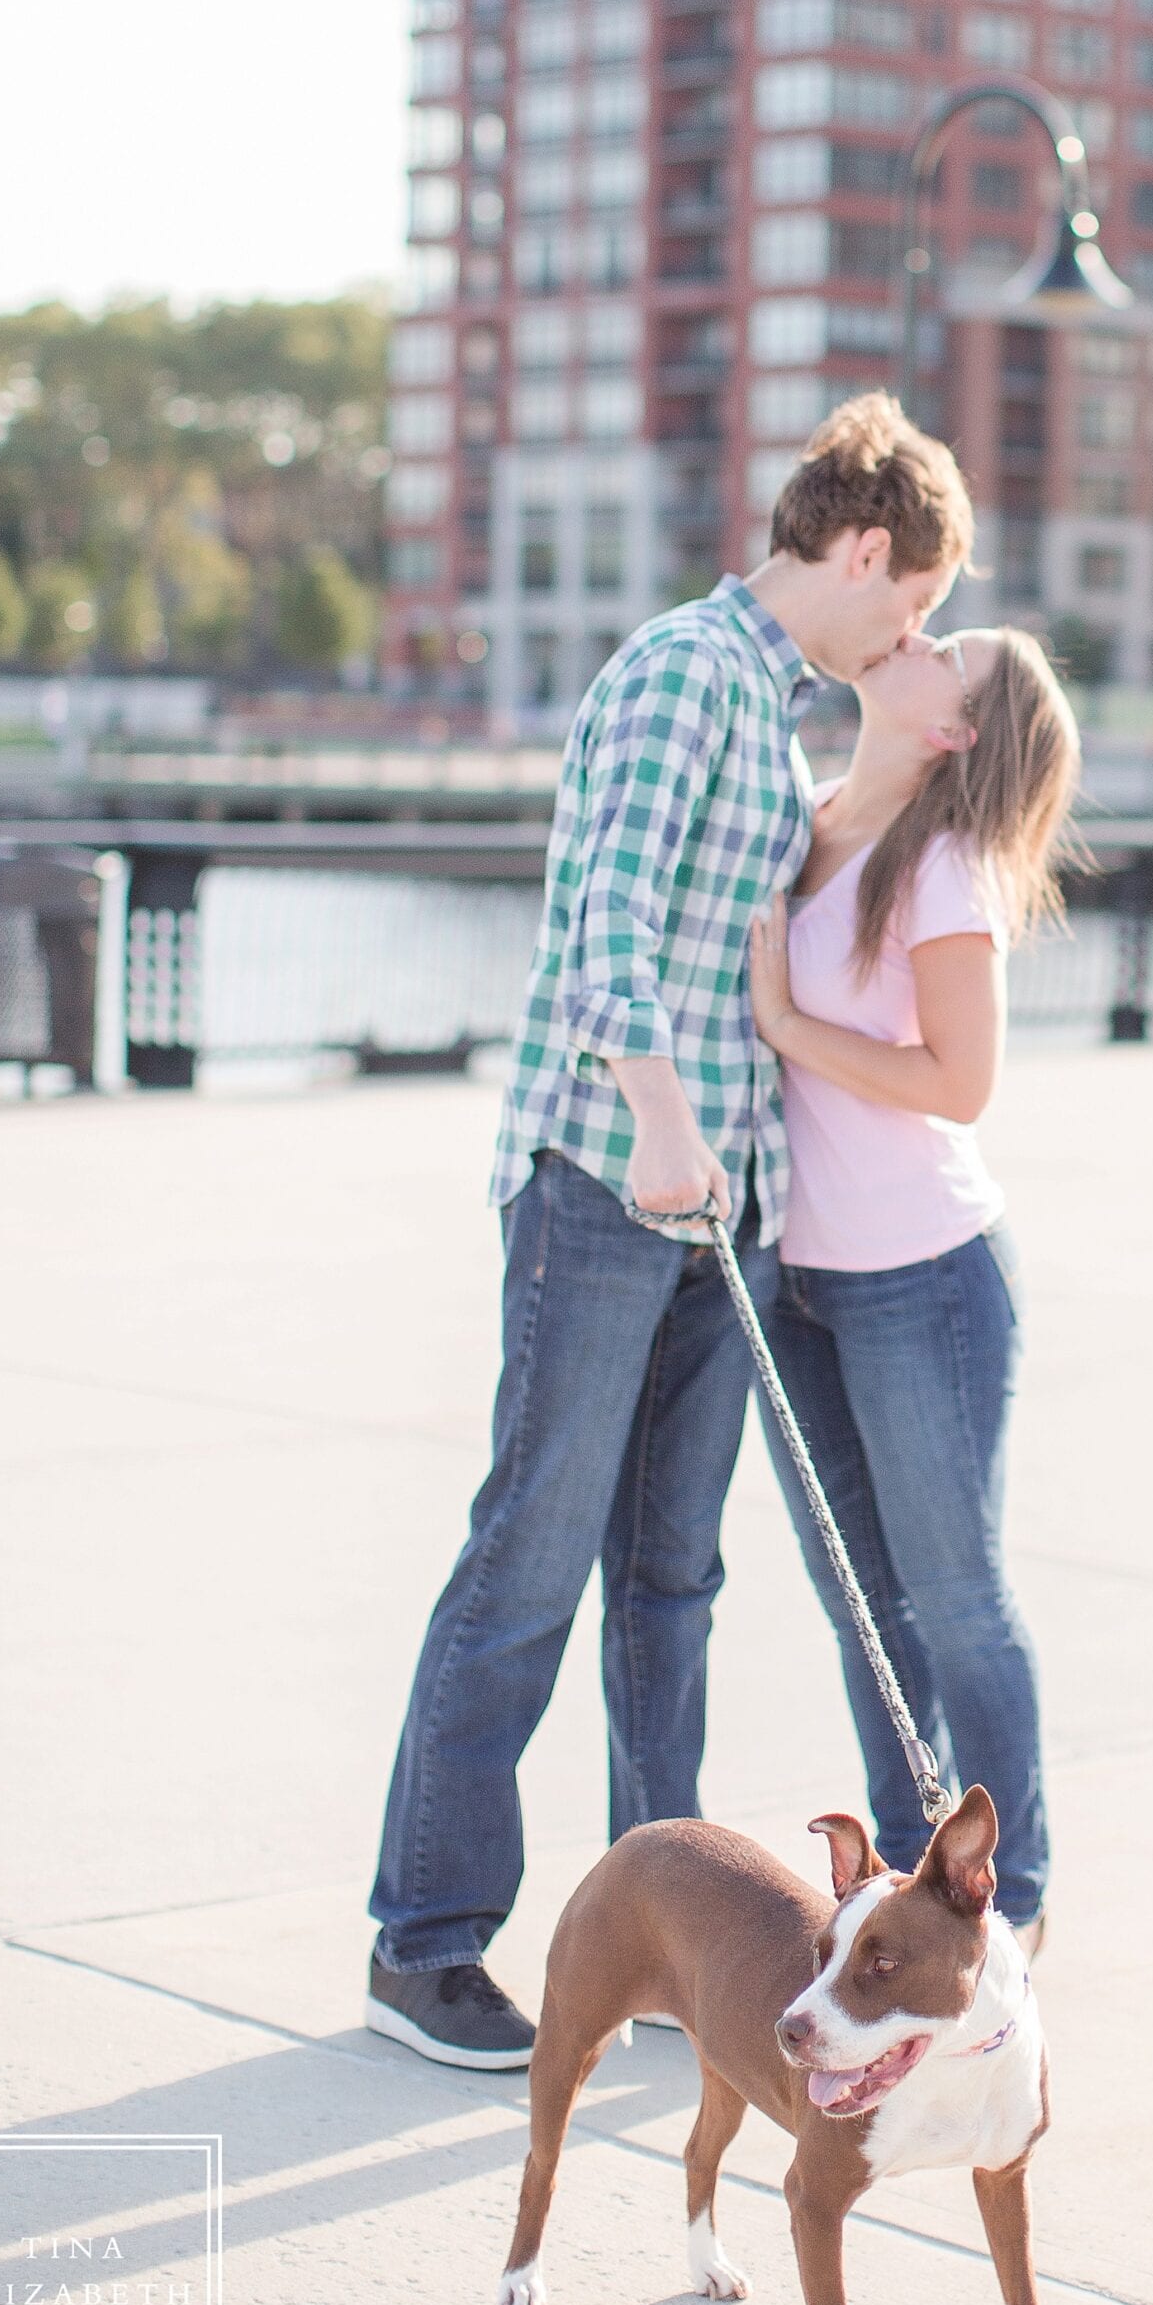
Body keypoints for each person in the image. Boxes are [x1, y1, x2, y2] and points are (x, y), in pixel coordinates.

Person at [366, 395, 976, 2070]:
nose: (903, 634)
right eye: (909, 605)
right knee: (529, 1563)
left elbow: (758, 926)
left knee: (670, 1585)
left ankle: (658, 1936)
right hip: (608, 1181)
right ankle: (423, 1944)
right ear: (861, 553)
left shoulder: (770, 714)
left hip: (723, 1217)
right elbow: (601, 924)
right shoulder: (677, 675)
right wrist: (653, 1118)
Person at [747, 624, 1082, 1947]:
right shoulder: (809, 814)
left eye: (955, 651)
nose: (920, 635)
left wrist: (788, 1028)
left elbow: (962, 1085)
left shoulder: (942, 869)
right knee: (866, 1613)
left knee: (953, 1603)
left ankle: (1016, 1900)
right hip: (799, 1281)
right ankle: (910, 1887)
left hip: (923, 1279)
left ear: (954, 730)